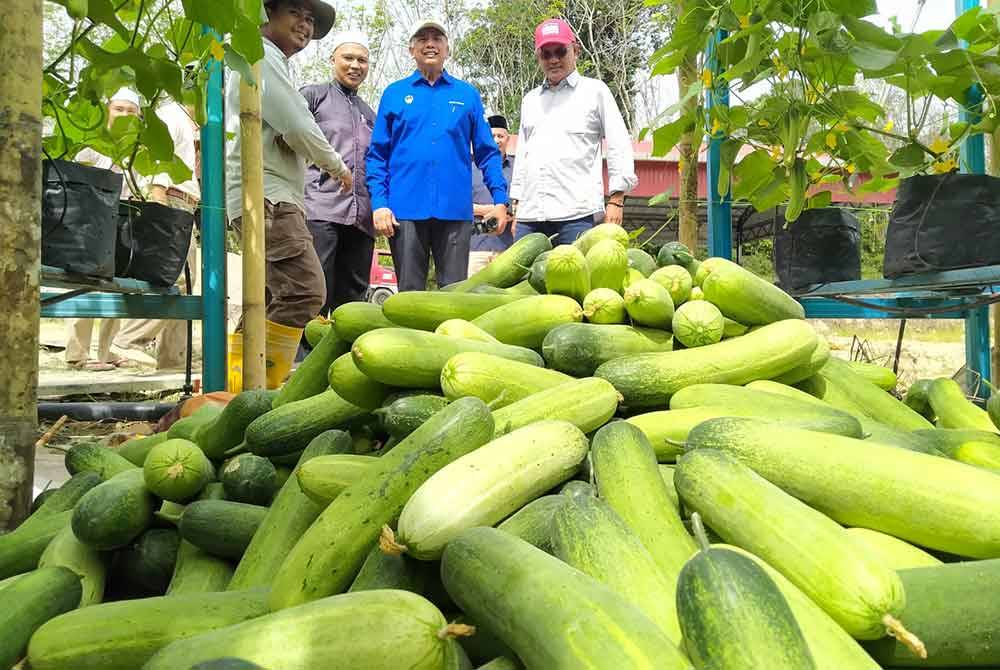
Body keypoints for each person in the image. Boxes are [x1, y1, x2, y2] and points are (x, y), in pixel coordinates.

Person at [224, 0, 352, 389]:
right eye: (295, 12)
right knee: (303, 291)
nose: (305, 24)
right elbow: (297, 124)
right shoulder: (261, 54)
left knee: (264, 297)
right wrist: (336, 166)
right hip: (268, 196)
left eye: (311, 19)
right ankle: (263, 392)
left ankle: (239, 391)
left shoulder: (264, 59)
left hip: (266, 195)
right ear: (267, 14)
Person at [366, 18, 508, 291]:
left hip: (454, 211)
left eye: (437, 38)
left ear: (447, 49)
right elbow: (377, 156)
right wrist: (379, 204)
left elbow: (487, 153)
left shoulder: (467, 95)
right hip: (404, 211)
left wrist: (500, 200)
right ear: (411, 49)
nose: (430, 43)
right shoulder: (394, 94)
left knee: (454, 293)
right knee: (409, 295)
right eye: (422, 38)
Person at [509, 18, 637, 245]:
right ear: (538, 57)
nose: (554, 59)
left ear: (575, 50)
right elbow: (523, 155)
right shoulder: (530, 100)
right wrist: (517, 204)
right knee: (523, 279)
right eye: (546, 54)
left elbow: (619, 144)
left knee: (573, 279)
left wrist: (616, 199)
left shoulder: (595, 91)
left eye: (560, 51)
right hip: (530, 217)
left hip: (577, 215)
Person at [111, 98, 202, 370]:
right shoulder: (171, 115)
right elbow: (159, 159)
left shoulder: (189, 123)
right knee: (175, 279)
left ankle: (173, 359)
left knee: (187, 282)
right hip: (171, 201)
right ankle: (129, 340)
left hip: (185, 202)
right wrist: (158, 200)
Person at [64, 88, 141, 371]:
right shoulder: (92, 146)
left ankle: (106, 352)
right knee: (84, 285)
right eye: (119, 109)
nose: (124, 115)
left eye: (131, 111)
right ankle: (77, 355)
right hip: (89, 224)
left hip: (121, 225)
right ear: (108, 110)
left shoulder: (136, 151)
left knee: (115, 287)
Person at [301, 30, 376, 315]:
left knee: (353, 299)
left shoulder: (370, 113)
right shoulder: (313, 96)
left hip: (361, 217)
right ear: (333, 59)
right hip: (321, 209)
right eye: (348, 58)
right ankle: (304, 357)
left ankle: (344, 356)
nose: (355, 65)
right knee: (315, 289)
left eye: (362, 60)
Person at [468, 114, 515, 276]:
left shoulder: (517, 168)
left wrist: (509, 211)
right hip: (475, 247)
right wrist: (494, 209)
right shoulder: (470, 167)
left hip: (508, 249)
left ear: (507, 139)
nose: (496, 140)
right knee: (471, 296)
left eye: (500, 136)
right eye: (492, 136)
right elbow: (458, 204)